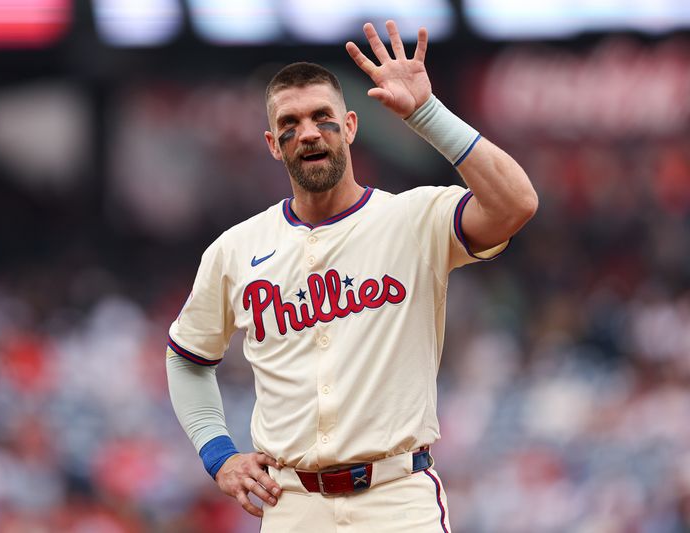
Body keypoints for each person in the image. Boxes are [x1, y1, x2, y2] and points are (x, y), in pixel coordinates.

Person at [166, 20, 537, 532]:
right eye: (291, 124)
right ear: (274, 145)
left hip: (397, 498)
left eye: (323, 117)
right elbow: (187, 357)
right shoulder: (235, 250)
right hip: (292, 502)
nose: (309, 132)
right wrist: (218, 454)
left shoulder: (414, 218)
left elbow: (516, 204)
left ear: (352, 126)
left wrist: (428, 114)